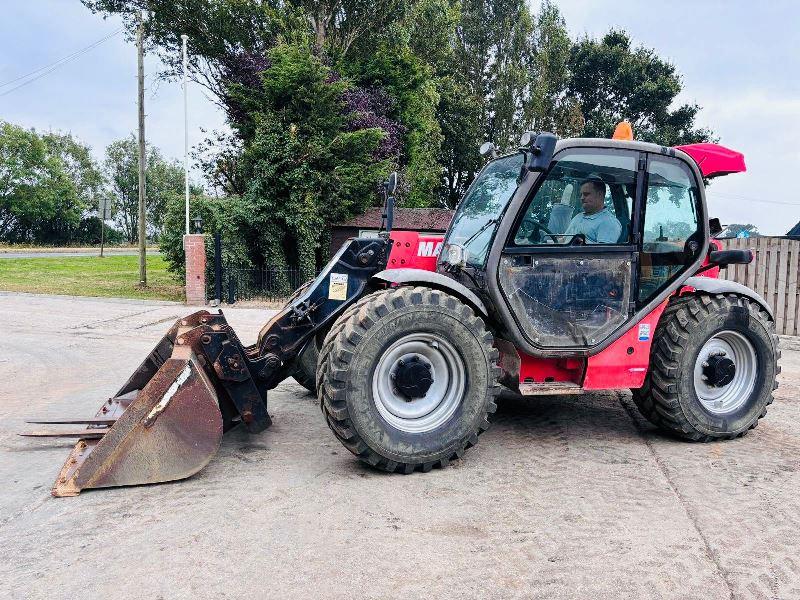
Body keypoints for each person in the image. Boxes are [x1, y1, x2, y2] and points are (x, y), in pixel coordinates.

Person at [564, 178, 622, 244]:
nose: (582, 198)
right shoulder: (578, 217)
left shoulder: (609, 222)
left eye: (586, 194)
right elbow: (563, 240)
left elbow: (603, 253)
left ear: (600, 194)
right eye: (581, 195)